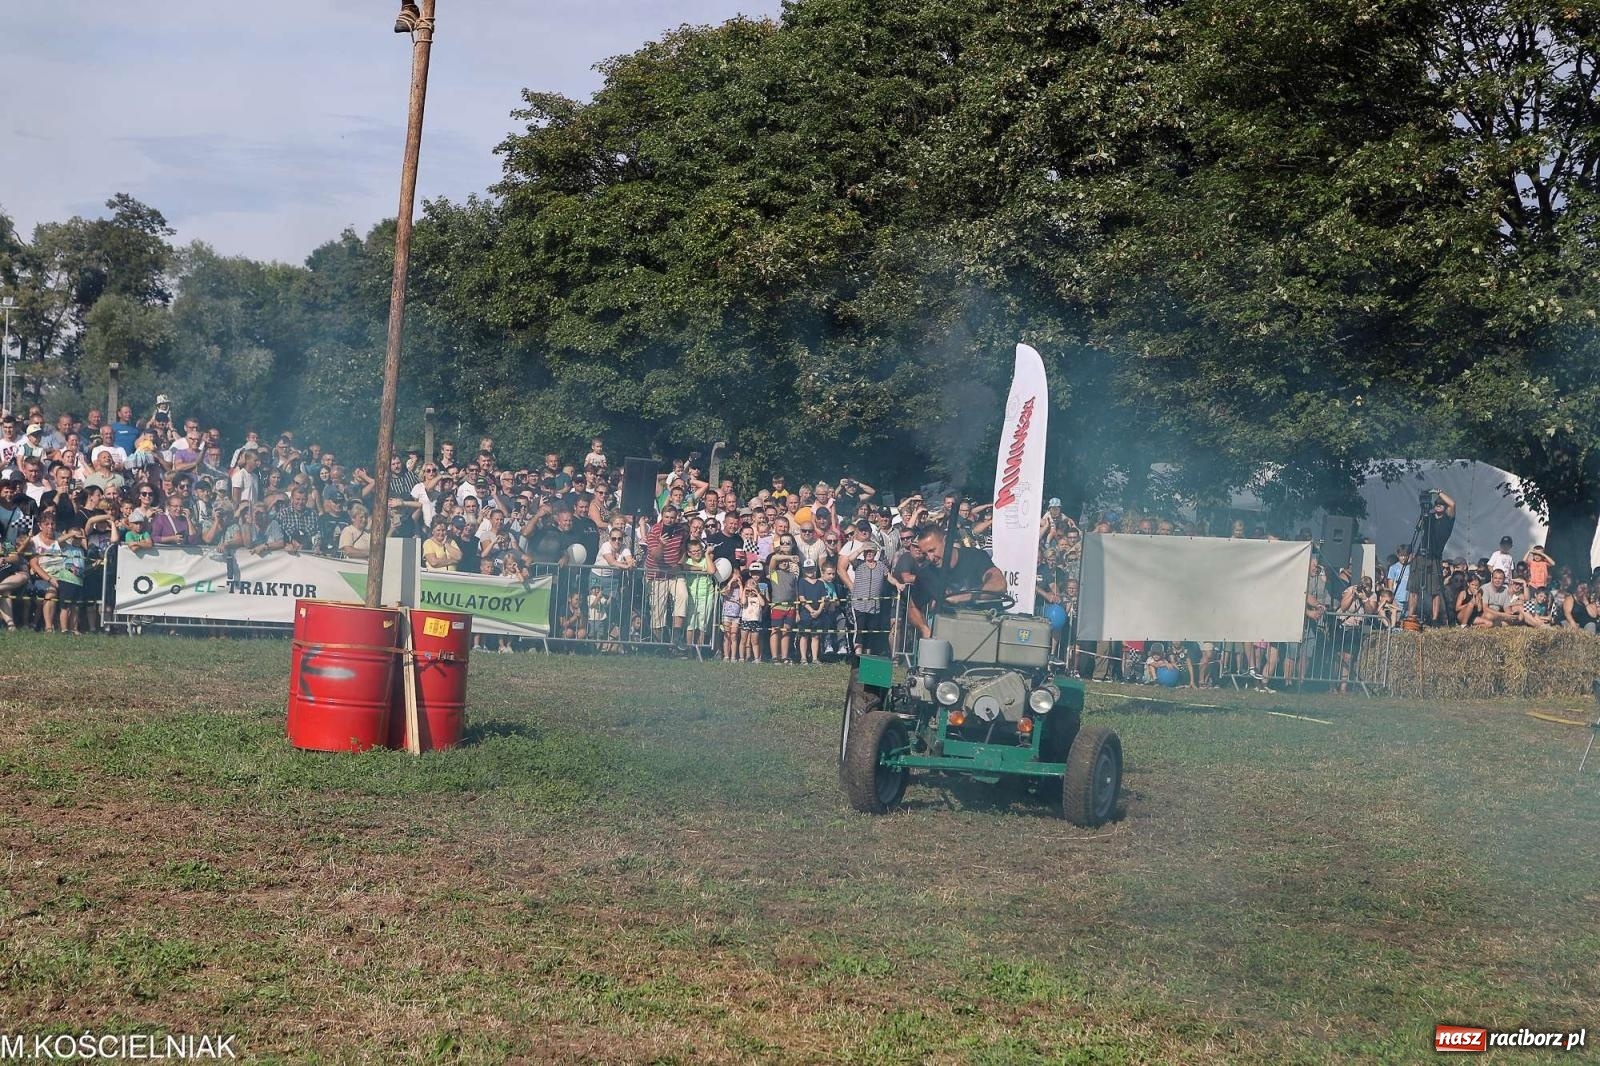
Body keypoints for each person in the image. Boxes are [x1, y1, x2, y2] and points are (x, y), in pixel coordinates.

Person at [905, 523, 1006, 639]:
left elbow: (1000, 584)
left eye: (932, 550)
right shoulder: (926, 574)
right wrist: (925, 629)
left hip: (987, 632)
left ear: (946, 541)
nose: (930, 558)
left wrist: (962, 597)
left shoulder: (974, 557)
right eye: (925, 554)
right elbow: (912, 608)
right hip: (951, 635)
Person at [1407, 490, 1455, 624]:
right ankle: (1410, 616)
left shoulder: (1448, 519)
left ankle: (1434, 619)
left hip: (1435, 556)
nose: (1438, 505)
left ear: (1444, 507)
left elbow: (1452, 504)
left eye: (1441, 504)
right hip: (1421, 555)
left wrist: (1438, 492)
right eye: (1436, 504)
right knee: (1414, 587)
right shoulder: (1429, 517)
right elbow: (1419, 525)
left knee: (1435, 590)